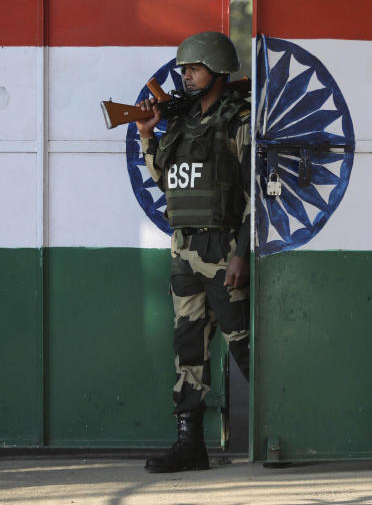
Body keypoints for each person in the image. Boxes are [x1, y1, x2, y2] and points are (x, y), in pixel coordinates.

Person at [135, 31, 252, 473]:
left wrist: (240, 252)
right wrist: (149, 133)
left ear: (218, 70)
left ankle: (284, 428)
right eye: (183, 68)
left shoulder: (237, 120)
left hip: (221, 249)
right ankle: (190, 445)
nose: (186, 75)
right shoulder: (180, 123)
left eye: (195, 67)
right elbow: (166, 179)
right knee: (188, 348)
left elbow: (254, 195)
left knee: (244, 344)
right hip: (183, 250)